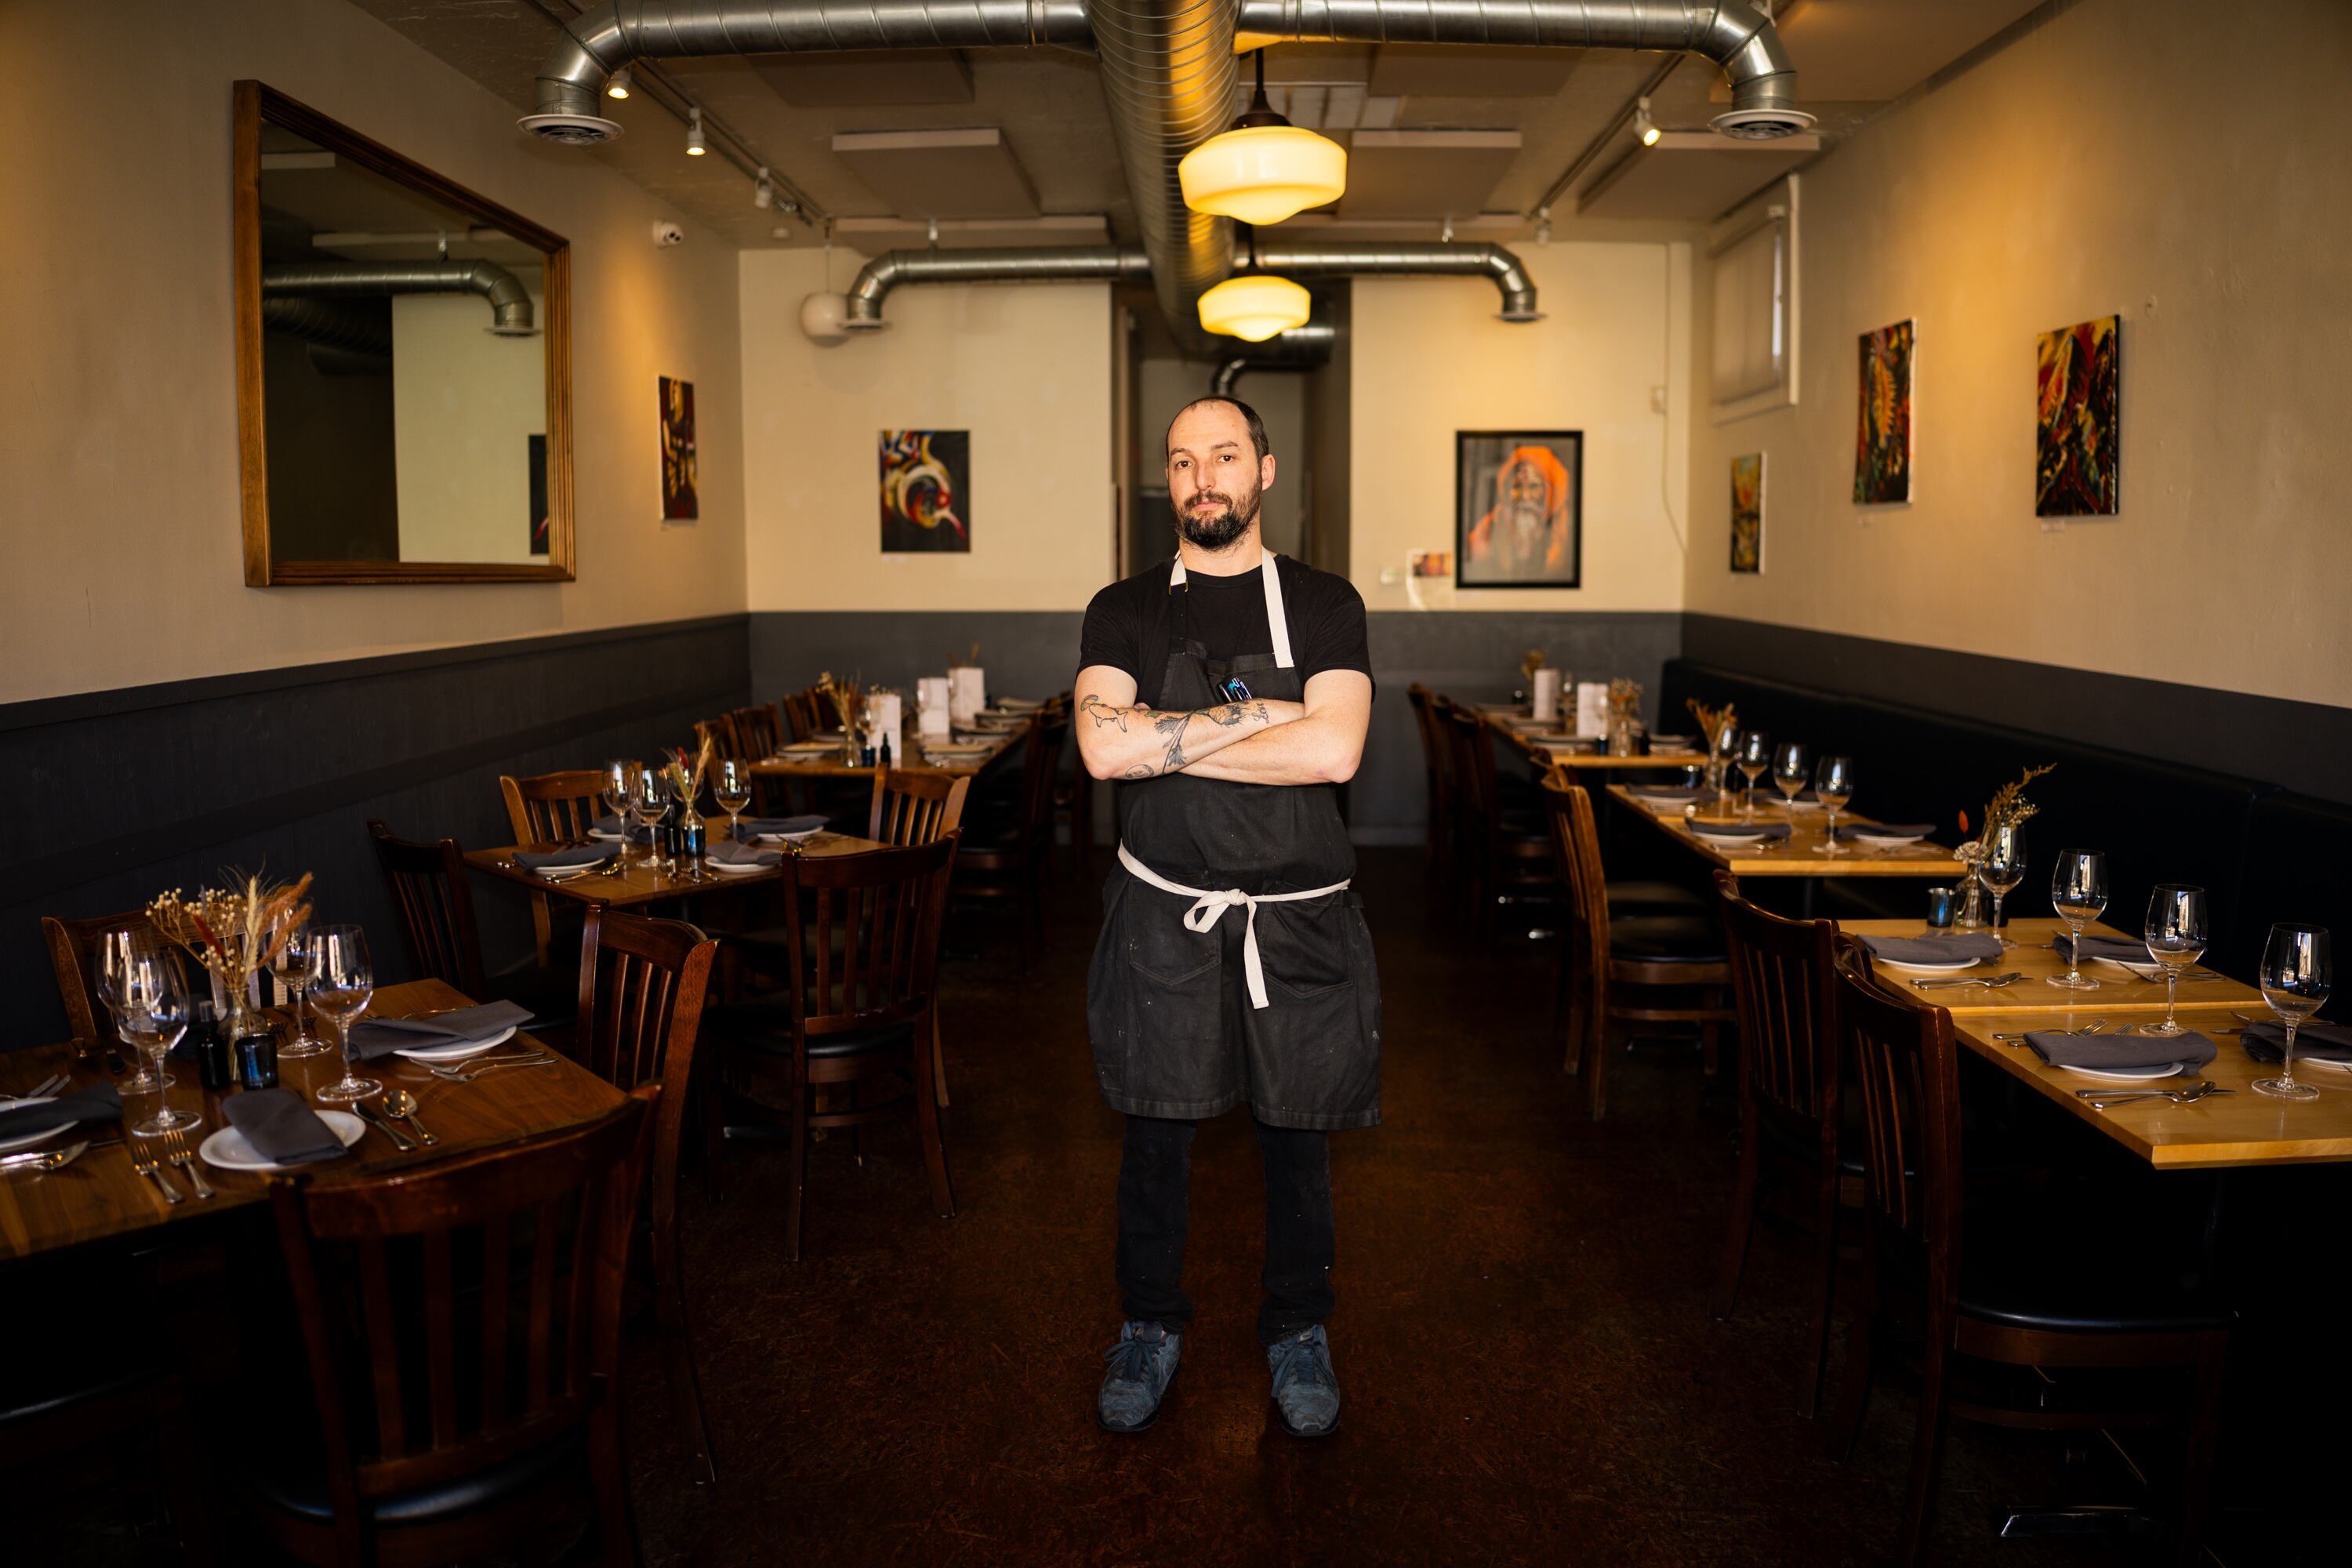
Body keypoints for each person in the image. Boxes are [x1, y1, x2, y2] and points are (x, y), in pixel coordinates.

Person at [1074, 395, 1380, 1439]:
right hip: (1165, 916)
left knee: (1298, 1140)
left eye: (1224, 456)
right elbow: (1104, 751)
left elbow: (1335, 754)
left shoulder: (1327, 604)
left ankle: (1299, 1325)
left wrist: (1172, 731)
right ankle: (1150, 1323)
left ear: (1265, 469)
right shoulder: (1121, 609)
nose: (1202, 479)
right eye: (1181, 461)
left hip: (1296, 923)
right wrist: (1259, 715)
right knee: (1154, 1135)